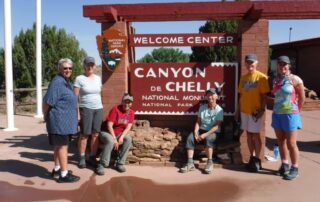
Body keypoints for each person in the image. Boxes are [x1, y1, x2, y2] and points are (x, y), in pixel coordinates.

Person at [43, 58, 80, 183]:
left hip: (64, 122)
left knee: (58, 146)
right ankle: (64, 175)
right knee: (63, 146)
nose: (68, 70)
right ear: (59, 69)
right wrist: (45, 116)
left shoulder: (66, 82)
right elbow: (47, 102)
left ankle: (58, 169)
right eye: (65, 68)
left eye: (70, 68)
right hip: (58, 122)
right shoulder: (57, 82)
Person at [271, 55, 305, 180]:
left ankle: (295, 168)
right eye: (280, 64)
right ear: (278, 66)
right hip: (277, 114)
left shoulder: (295, 79)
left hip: (291, 114)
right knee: (281, 142)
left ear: (289, 65)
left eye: (285, 64)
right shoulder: (276, 80)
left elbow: (302, 98)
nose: (282, 66)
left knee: (291, 143)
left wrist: (296, 111)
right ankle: (284, 164)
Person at [238, 53, 270, 172]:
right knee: (249, 134)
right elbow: (241, 96)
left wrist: (262, 110)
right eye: (248, 62)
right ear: (245, 63)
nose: (250, 64)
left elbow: (264, 96)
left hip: (255, 112)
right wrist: (237, 110)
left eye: (252, 62)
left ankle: (257, 159)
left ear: (256, 63)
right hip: (244, 111)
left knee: (256, 135)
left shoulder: (262, 77)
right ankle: (252, 157)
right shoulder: (243, 78)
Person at [180, 88, 224, 174]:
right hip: (202, 129)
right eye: (208, 95)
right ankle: (190, 163)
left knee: (209, 139)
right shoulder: (202, 107)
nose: (210, 97)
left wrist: (205, 135)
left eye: (212, 95)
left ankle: (210, 163)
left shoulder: (219, 110)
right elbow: (198, 122)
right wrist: (196, 132)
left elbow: (216, 126)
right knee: (190, 138)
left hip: (213, 132)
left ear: (216, 97)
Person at [74, 56, 103, 168]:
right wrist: (77, 113)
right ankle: (82, 157)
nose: (89, 67)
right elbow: (75, 98)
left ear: (94, 66)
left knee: (96, 134)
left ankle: (92, 156)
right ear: (84, 66)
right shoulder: (79, 78)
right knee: (84, 134)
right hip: (85, 108)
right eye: (87, 64)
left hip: (98, 108)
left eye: (92, 64)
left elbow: (100, 94)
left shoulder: (97, 78)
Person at [95, 93, 134, 175]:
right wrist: (114, 139)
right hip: (106, 132)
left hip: (119, 134)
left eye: (129, 102)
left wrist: (121, 137)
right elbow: (109, 126)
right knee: (110, 141)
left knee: (128, 139)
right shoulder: (115, 109)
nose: (127, 104)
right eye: (125, 102)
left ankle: (120, 163)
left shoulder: (131, 113)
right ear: (122, 101)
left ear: (131, 103)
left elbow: (128, 127)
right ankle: (102, 165)